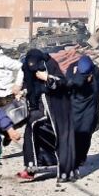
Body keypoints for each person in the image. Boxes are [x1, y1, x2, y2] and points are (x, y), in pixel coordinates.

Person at [18, 49, 76, 182]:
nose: (32, 66)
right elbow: (31, 84)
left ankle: (66, 172)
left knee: (61, 137)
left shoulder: (49, 65)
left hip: (57, 108)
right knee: (34, 133)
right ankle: (31, 168)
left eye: (34, 63)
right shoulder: (27, 67)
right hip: (40, 107)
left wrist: (48, 78)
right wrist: (24, 91)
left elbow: (63, 82)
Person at [67, 55, 99, 177]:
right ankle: (75, 159)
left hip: (88, 109)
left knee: (85, 134)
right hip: (76, 108)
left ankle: (79, 158)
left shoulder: (93, 71)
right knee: (79, 135)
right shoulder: (73, 71)